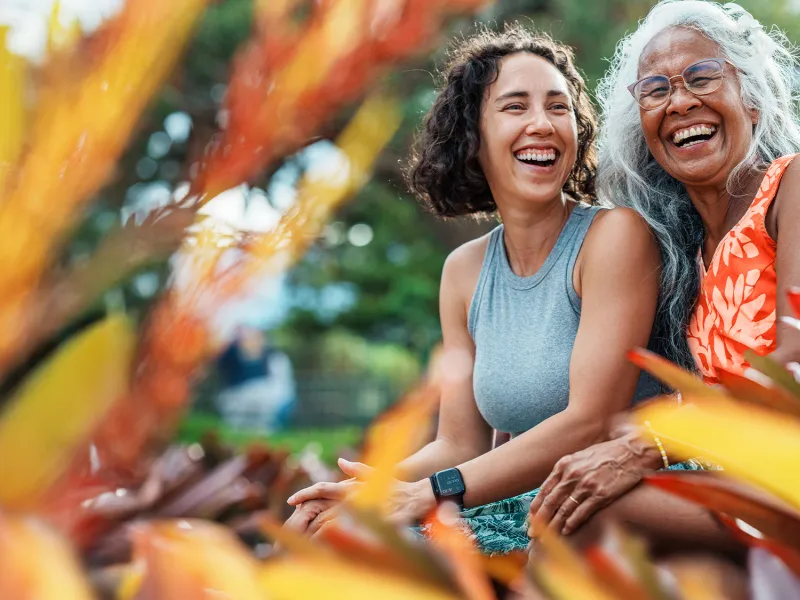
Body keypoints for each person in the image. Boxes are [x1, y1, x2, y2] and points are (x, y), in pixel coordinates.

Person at [284, 24, 667, 554]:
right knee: (320, 537)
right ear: (473, 136)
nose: (543, 124)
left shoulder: (614, 237)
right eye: (515, 107)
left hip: (602, 503)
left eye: (558, 107)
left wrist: (429, 494)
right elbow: (459, 442)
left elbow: (590, 421)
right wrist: (363, 491)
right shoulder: (463, 271)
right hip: (514, 504)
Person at [530, 0, 800, 558]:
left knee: (583, 518)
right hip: (744, 482)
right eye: (655, 90)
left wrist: (645, 447)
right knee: (558, 506)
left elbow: (792, 363)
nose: (680, 102)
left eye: (702, 77)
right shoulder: (681, 255)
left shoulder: (791, 186)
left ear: (752, 98)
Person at [215, 326, 296, 432]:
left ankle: (262, 428)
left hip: (262, 396)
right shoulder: (233, 354)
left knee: (266, 398)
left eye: (257, 338)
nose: (254, 341)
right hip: (236, 396)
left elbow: (281, 385)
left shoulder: (271, 357)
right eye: (251, 338)